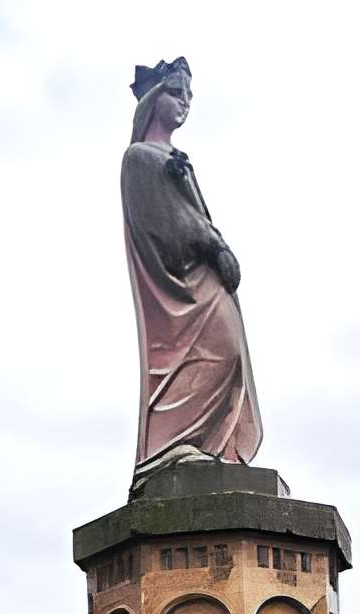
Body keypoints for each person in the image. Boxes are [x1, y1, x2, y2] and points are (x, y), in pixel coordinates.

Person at [123, 57, 263, 473]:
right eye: (175, 92)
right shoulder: (140, 158)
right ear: (153, 98)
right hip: (183, 282)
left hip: (208, 281)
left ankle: (215, 448)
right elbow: (171, 221)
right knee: (215, 351)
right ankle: (177, 446)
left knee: (230, 351)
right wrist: (215, 246)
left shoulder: (175, 157)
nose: (183, 102)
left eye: (188, 96)